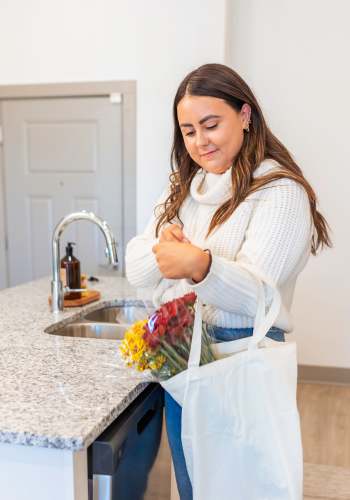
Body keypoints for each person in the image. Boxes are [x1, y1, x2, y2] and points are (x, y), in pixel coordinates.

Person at [125, 63, 332, 499]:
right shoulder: (182, 188)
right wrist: (165, 254)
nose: (200, 141)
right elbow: (135, 265)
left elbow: (259, 296)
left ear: (245, 115)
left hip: (239, 355)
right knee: (193, 484)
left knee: (242, 485)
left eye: (210, 124)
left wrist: (198, 265)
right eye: (188, 131)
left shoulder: (279, 191)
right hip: (183, 355)